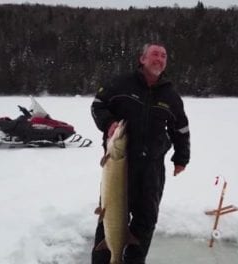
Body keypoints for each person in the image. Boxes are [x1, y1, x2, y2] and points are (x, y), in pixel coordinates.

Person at [90, 43, 190, 263]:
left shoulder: (170, 94)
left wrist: (181, 158)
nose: (160, 59)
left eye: (164, 56)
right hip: (120, 165)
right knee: (111, 217)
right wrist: (109, 124)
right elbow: (97, 105)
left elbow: (181, 128)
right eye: (155, 54)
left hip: (152, 169)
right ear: (142, 59)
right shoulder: (121, 84)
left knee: (145, 222)